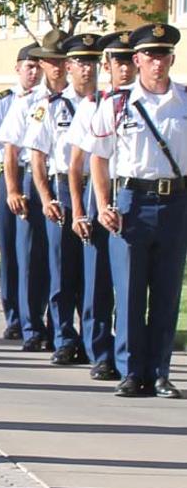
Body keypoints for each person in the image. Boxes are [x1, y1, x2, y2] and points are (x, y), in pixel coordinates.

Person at [84, 23, 186, 399]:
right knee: (128, 291)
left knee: (166, 290)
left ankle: (160, 371)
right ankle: (130, 370)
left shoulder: (185, 101)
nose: (157, 62)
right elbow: (99, 157)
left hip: (175, 201)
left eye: (164, 55)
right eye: (150, 55)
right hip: (132, 201)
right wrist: (102, 203)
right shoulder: (117, 103)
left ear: (172, 59)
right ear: (137, 59)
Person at [23, 33, 97, 366]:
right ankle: (64, 336)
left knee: (95, 274)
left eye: (93, 62)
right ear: (69, 67)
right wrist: (46, 197)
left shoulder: (105, 104)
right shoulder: (50, 107)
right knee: (62, 269)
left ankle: (96, 341)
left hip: (96, 189)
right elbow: (37, 157)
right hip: (62, 191)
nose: (88, 69)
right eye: (81, 63)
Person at [67, 31, 135, 380]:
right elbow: (77, 165)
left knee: (129, 286)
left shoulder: (143, 103)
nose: (124, 68)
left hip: (132, 205)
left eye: (128, 61)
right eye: (118, 61)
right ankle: (100, 352)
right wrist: (79, 210)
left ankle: (129, 354)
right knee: (96, 286)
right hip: (98, 206)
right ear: (108, 66)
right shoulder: (93, 106)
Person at [0, 31, 65, 352]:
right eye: (51, 62)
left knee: (59, 258)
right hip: (29, 182)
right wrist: (11, 189)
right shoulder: (27, 101)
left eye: (61, 61)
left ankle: (59, 325)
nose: (57, 68)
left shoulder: (81, 101)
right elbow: (10, 149)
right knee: (29, 256)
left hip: (63, 181)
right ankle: (30, 326)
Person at [0, 44, 39, 340]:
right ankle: (14, 316)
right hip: (9, 177)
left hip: (40, 177)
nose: (35, 71)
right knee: (12, 251)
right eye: (29, 66)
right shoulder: (4, 100)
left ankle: (35, 315)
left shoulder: (49, 100)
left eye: (39, 66)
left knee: (36, 253)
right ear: (17, 68)